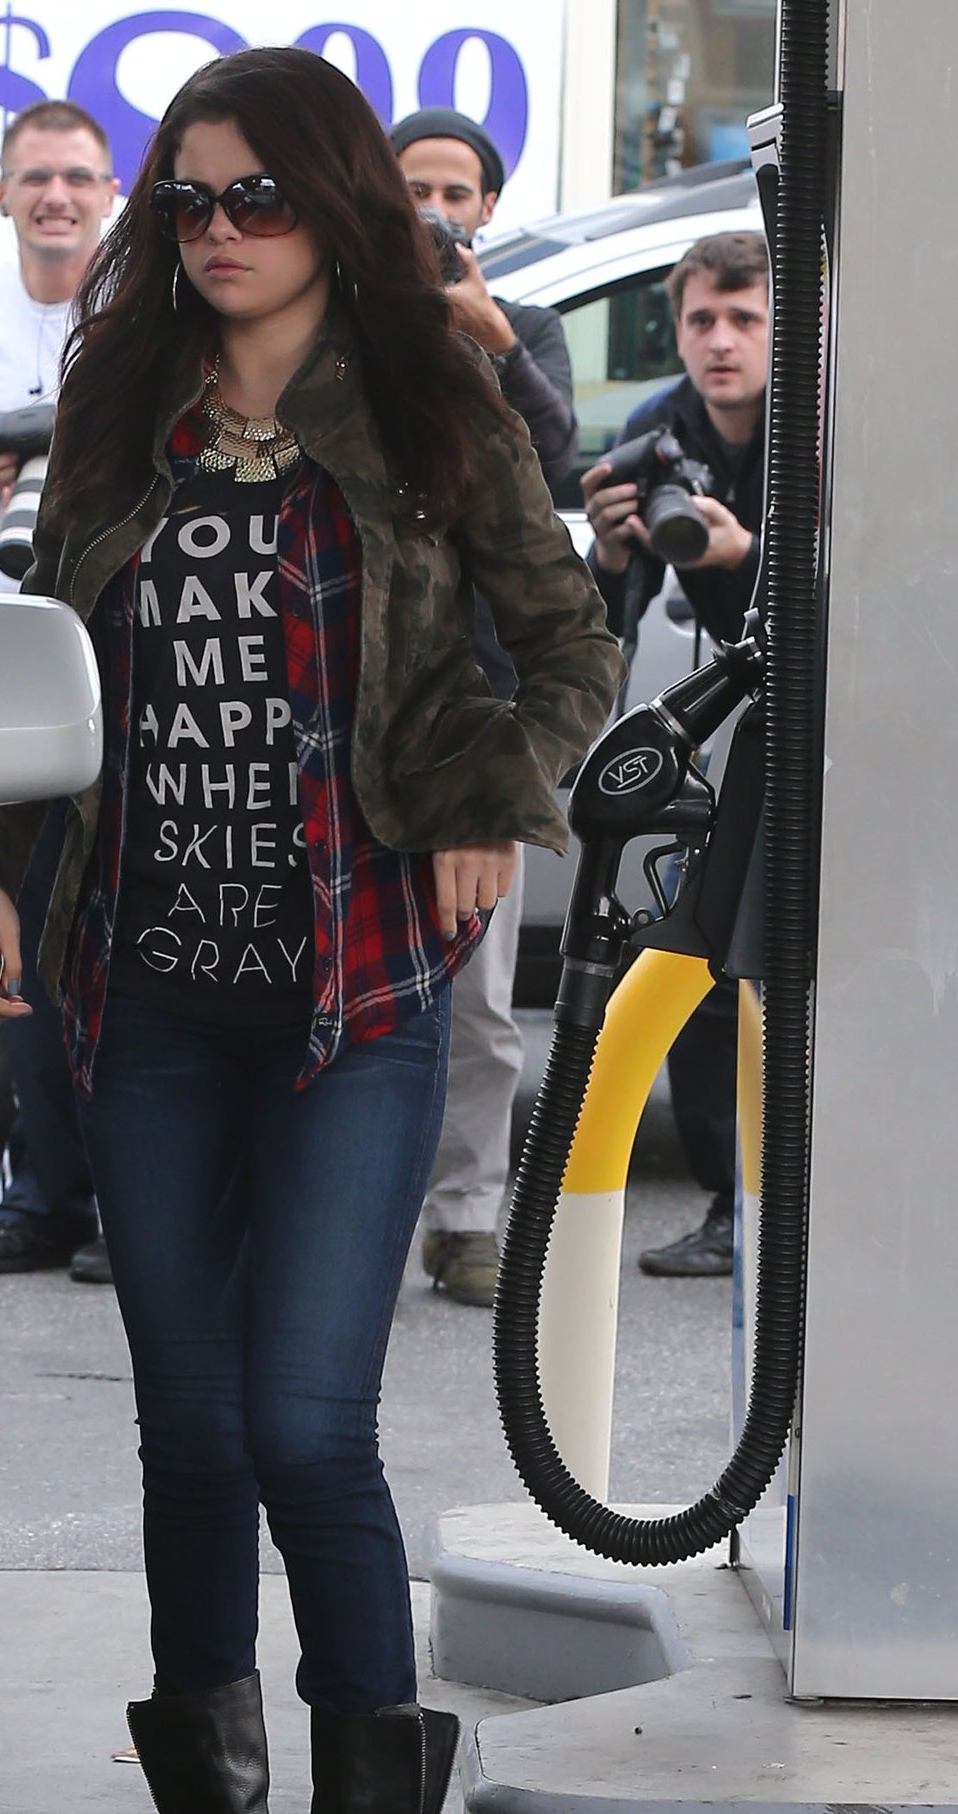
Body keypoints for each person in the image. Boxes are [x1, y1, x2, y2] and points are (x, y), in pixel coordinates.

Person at [0, 46, 621, 1814]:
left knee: (312, 1431)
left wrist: (494, 784)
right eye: (194, 201)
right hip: (145, 991)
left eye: (259, 199)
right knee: (195, 1434)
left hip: (359, 991)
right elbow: (52, 646)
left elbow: (563, 637)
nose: (219, 234)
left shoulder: (430, 394)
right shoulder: (121, 399)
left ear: (338, 206)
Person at [0, 99, 120, 1284]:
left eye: (76, 176)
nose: (54, 195)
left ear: (109, 191)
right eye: (34, 177)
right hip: (9, 650)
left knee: (113, 932)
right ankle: (39, 1195)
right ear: (0, 192)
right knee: (18, 925)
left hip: (119, 650)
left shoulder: (148, 316)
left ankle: (118, 1207)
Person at [390, 106, 579, 1308]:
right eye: (412, 189)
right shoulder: (345, 321)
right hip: (360, 703)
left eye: (454, 192)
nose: (434, 212)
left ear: (486, 210)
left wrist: (491, 342)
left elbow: (555, 462)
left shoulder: (533, 327)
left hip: (481, 709)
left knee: (478, 991)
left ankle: (465, 1218)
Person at [582, 229, 769, 1278]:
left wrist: (752, 559)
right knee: (694, 950)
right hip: (730, 738)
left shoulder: (819, 423)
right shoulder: (660, 431)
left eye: (745, 318)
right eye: (701, 319)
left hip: (831, 730)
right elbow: (608, 626)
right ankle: (723, 1203)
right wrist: (612, 552)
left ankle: (799, 1195)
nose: (722, 341)